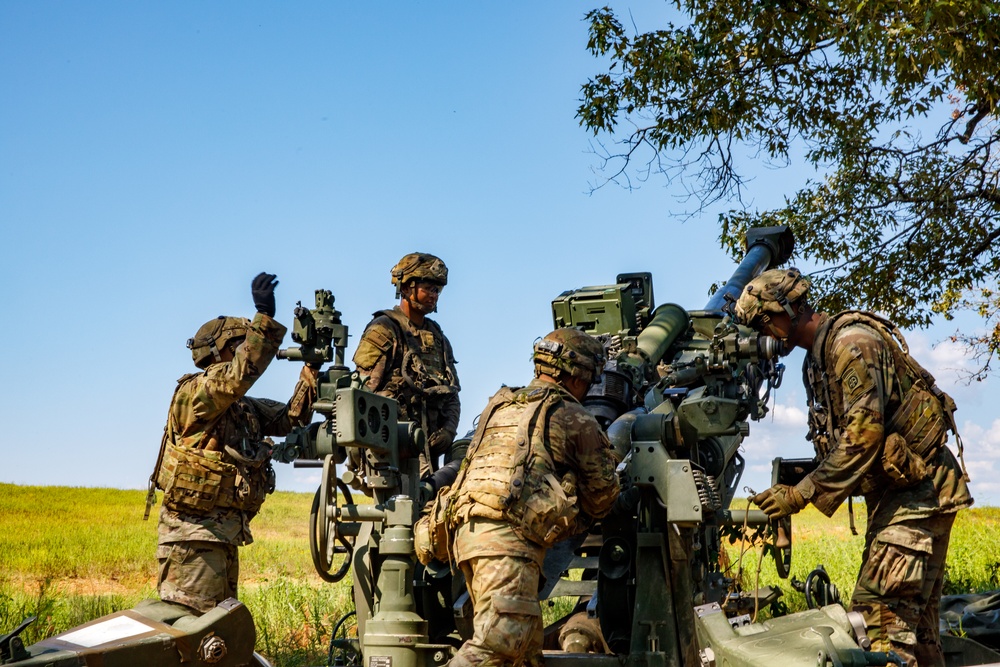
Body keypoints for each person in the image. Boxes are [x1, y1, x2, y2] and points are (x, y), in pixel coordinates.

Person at [733, 267, 973, 666]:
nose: (764, 333)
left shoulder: (852, 344)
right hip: (904, 496)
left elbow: (864, 437)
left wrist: (800, 494)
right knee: (918, 633)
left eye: (764, 321)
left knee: (876, 625)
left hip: (919, 493)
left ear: (790, 309)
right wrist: (794, 481)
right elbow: (840, 441)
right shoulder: (817, 361)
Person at [441, 328, 621, 667]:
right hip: (508, 543)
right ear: (578, 375)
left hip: (468, 536)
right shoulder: (573, 415)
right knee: (501, 643)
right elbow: (602, 497)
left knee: (524, 655)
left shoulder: (502, 406)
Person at [147, 272, 318, 614]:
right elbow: (241, 373)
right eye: (239, 345)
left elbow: (291, 418)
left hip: (222, 537)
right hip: (192, 540)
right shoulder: (196, 394)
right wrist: (264, 319)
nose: (246, 351)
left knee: (220, 633)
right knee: (194, 632)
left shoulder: (242, 408)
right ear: (217, 352)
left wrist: (310, 372)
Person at [352, 252, 462, 493]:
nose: (434, 295)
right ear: (407, 287)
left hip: (429, 449)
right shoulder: (384, 329)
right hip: (393, 447)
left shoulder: (437, 336)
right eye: (429, 288)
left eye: (438, 290)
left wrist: (448, 431)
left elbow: (452, 393)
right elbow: (365, 396)